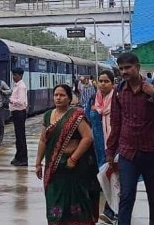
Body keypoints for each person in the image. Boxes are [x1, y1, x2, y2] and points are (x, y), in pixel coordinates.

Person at [105, 53, 154, 225]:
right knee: (126, 196)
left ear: (138, 67)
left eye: (128, 67)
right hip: (128, 153)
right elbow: (116, 123)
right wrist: (110, 152)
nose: (124, 72)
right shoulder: (119, 91)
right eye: (121, 69)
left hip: (152, 151)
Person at [36, 83, 100, 225]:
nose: (58, 98)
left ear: (70, 99)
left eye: (62, 95)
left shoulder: (76, 116)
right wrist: (38, 163)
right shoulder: (47, 116)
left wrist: (74, 157)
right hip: (53, 169)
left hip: (73, 169)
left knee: (76, 202)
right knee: (54, 200)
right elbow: (42, 140)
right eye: (56, 95)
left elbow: (88, 138)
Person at [90, 70, 117, 224]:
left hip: (114, 146)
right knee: (104, 179)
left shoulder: (117, 100)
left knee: (114, 179)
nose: (102, 84)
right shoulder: (94, 100)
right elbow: (88, 119)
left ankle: (110, 211)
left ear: (113, 83)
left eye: (106, 81)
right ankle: (111, 210)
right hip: (98, 147)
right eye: (100, 81)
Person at [9, 68, 29, 166]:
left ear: (21, 76)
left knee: (21, 137)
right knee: (18, 136)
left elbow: (21, 101)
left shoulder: (21, 86)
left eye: (16, 75)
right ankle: (18, 157)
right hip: (16, 112)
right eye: (13, 75)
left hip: (19, 112)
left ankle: (23, 159)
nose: (14, 77)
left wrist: (11, 100)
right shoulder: (17, 85)